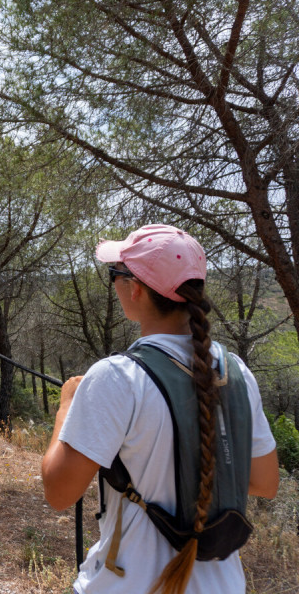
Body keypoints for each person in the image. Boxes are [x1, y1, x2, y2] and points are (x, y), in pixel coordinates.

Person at [41, 225, 280, 594]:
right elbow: (265, 483)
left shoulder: (116, 377)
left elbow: (59, 493)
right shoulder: (236, 372)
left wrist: (65, 411)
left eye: (115, 274)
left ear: (135, 289)